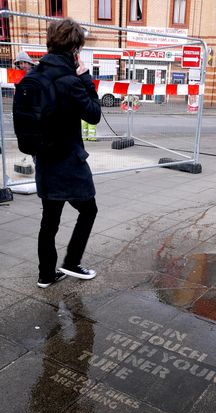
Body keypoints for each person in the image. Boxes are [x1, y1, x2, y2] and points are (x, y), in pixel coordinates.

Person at [35, 18, 101, 288]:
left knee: (49, 220)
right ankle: (72, 262)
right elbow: (94, 115)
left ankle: (46, 275)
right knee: (89, 210)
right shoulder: (70, 81)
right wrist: (85, 78)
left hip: (43, 160)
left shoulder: (35, 75)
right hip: (69, 163)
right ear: (75, 49)